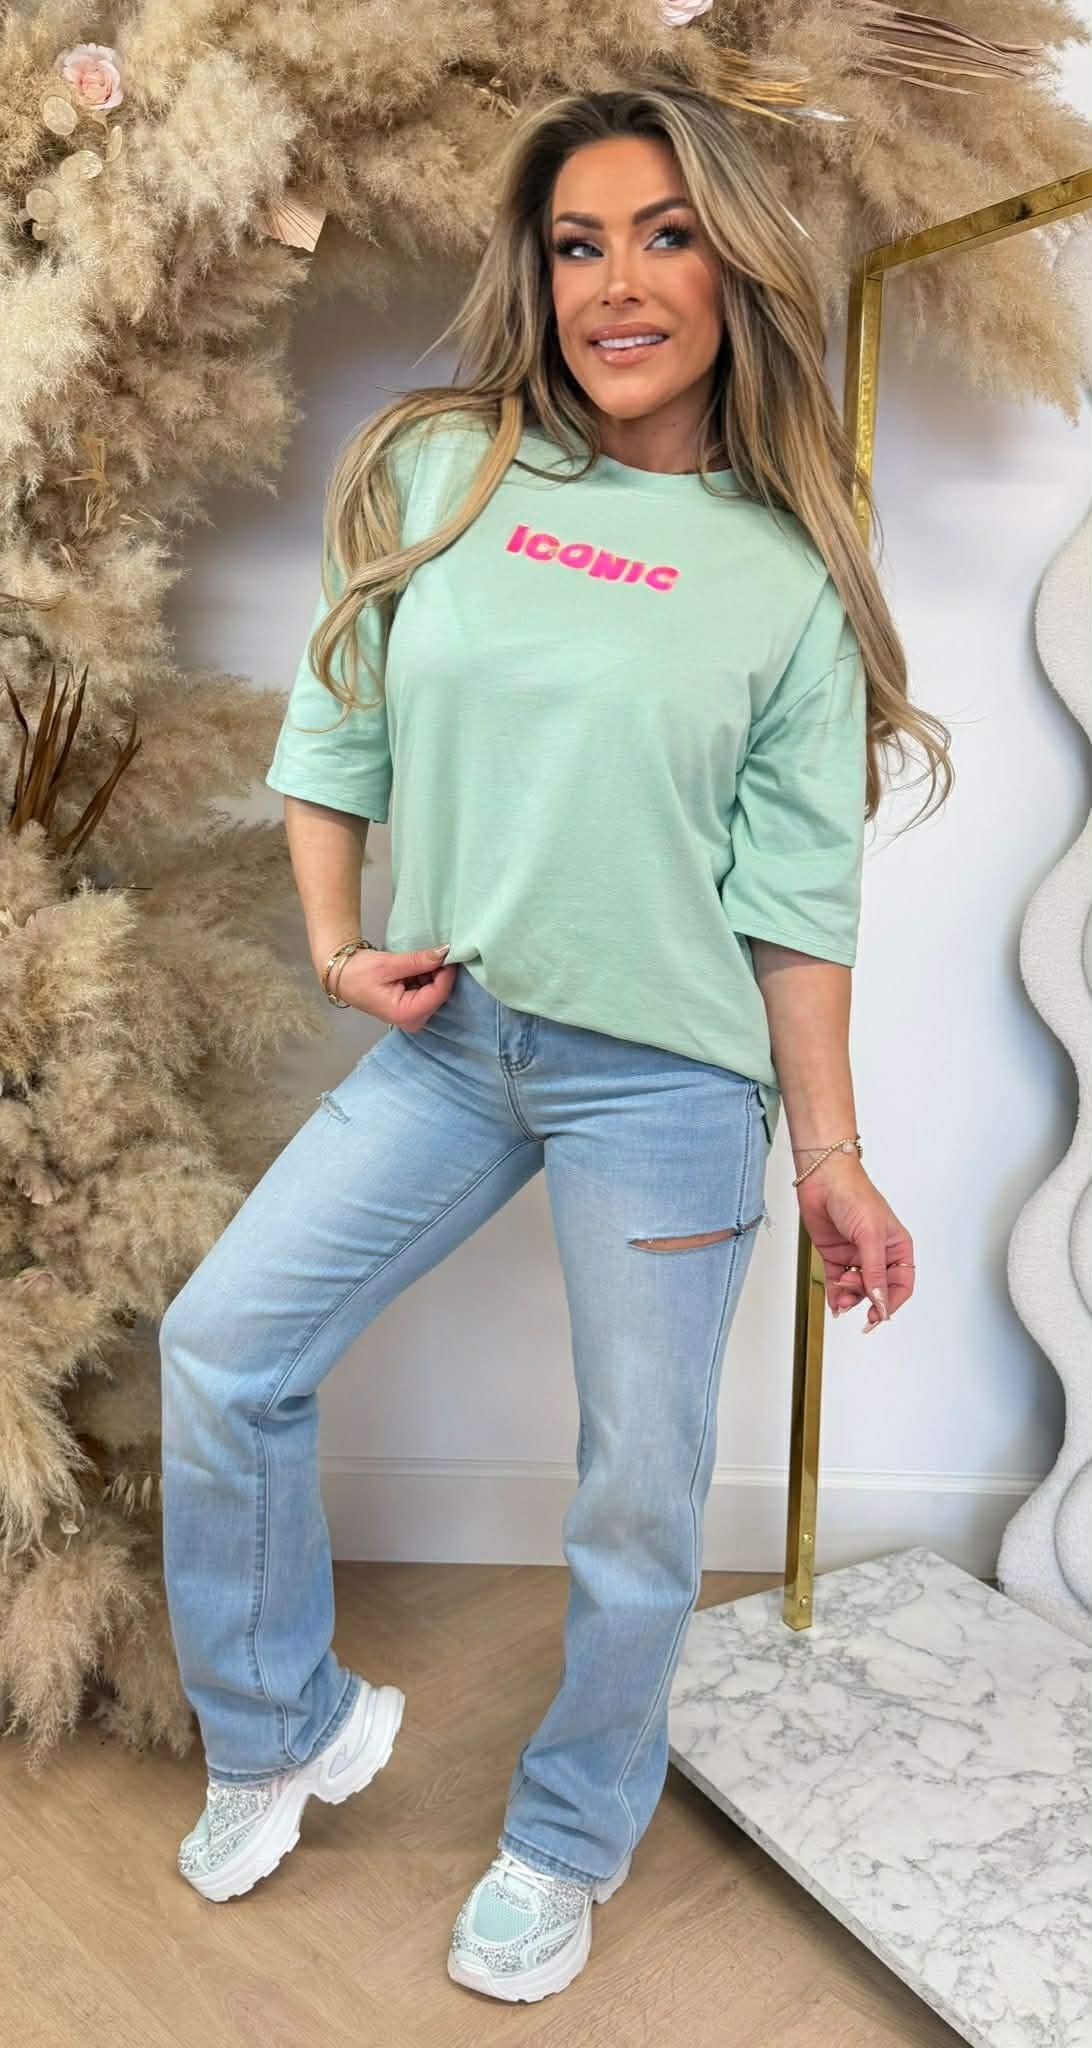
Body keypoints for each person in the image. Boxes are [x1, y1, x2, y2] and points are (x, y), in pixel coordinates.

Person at [160, 77, 947, 2006]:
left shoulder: (786, 573)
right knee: (225, 1352)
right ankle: (281, 1722)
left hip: (666, 1085)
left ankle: (571, 1832)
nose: (618, 285)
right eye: (580, 244)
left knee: (635, 1492)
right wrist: (337, 946)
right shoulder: (445, 467)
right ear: (541, 273)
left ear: (733, 272)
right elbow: (340, 720)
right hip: (456, 1041)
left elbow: (798, 901)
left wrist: (832, 1154)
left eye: (666, 237)